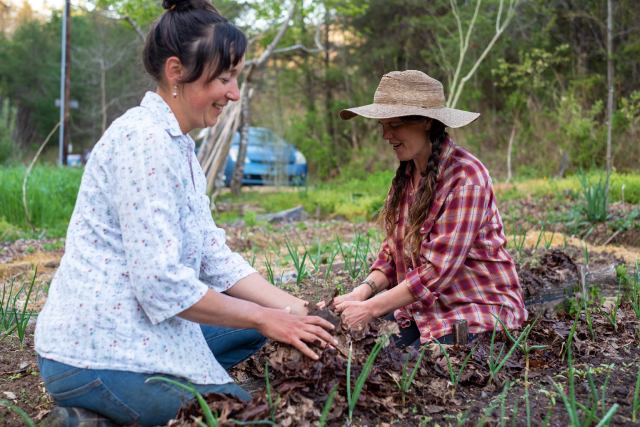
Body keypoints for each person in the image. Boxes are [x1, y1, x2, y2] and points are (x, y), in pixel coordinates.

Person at [34, 1, 336, 425]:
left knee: (265, 325)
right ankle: (84, 414)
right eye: (225, 78)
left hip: (141, 327)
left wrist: (300, 311)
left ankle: (106, 416)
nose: (233, 93)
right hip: (96, 348)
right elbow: (161, 285)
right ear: (176, 71)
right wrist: (266, 317)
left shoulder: (178, 145)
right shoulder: (143, 141)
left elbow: (215, 257)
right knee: (245, 418)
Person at [331, 70, 527, 347]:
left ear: (425, 121)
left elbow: (435, 273)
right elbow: (391, 255)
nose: (386, 135)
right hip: (424, 309)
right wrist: (361, 294)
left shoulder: (466, 179)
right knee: (367, 356)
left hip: (476, 310)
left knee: (403, 373)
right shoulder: (407, 176)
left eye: (395, 125)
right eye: (382, 125)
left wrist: (372, 309)